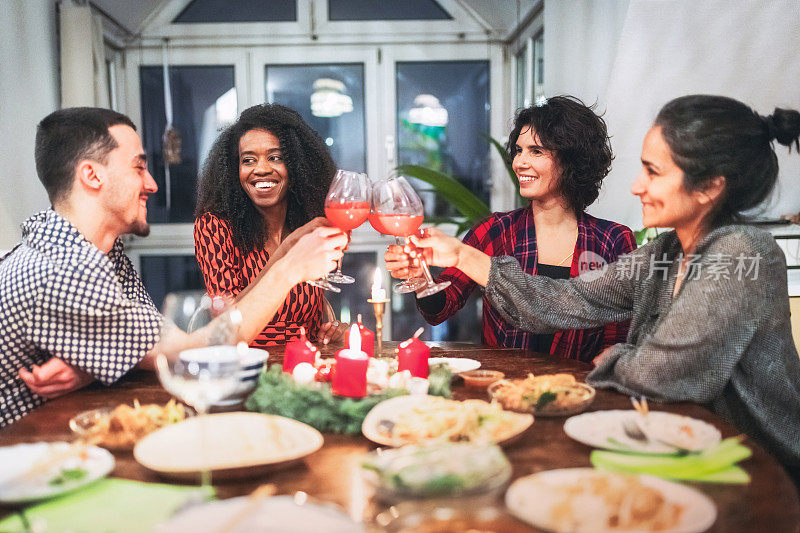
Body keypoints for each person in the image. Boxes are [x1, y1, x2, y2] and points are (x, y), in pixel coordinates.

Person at [397, 95, 800, 478]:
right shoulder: (666, 252)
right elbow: (565, 300)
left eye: (653, 172)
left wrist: (614, 356)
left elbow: (665, 374)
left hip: (759, 464)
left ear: (710, 186)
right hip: (686, 447)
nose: (636, 186)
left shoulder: (744, 252)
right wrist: (462, 256)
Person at [0, 107, 346, 427]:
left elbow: (155, 346)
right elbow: (193, 354)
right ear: (91, 175)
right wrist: (288, 270)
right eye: (138, 166)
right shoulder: (67, 269)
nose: (152, 183)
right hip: (27, 455)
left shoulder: (96, 252)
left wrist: (92, 365)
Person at [386, 96, 636, 362]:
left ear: (572, 160)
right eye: (519, 150)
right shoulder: (496, 231)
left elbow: (617, 339)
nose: (519, 162)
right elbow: (440, 309)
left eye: (536, 151)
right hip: (502, 391)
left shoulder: (612, 241)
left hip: (576, 394)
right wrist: (421, 277)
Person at [194, 104, 347, 348]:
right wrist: (284, 257)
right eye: (248, 160)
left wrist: (333, 331)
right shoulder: (214, 226)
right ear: (235, 170)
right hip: (247, 368)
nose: (261, 169)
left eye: (275, 158)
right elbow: (224, 324)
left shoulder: (309, 223)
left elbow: (311, 322)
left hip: (303, 367)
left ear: (297, 166)